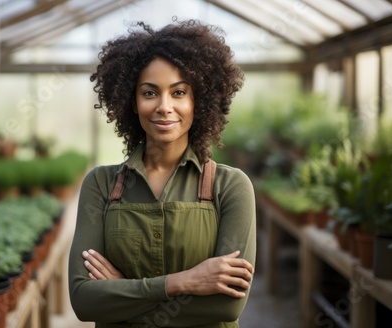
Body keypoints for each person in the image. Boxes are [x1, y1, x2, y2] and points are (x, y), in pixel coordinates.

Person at [68, 18, 256, 328]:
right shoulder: (101, 185)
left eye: (179, 93)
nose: (164, 106)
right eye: (150, 93)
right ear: (132, 101)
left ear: (199, 100)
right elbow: (84, 301)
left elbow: (226, 306)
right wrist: (184, 282)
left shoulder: (231, 187)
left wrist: (121, 293)